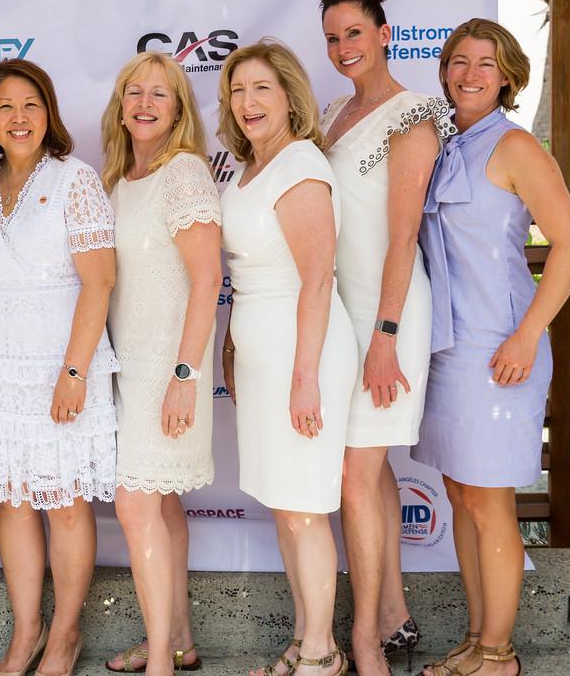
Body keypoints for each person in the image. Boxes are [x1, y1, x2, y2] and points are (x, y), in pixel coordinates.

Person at [410, 19, 570, 676]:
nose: (470, 72)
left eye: (486, 63)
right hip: (451, 350)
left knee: (490, 502)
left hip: (501, 349)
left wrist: (527, 332)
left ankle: (498, 654)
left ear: (507, 75)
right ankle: (477, 637)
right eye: (459, 60)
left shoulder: (516, 147)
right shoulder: (445, 143)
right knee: (461, 493)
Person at [0, 60, 118, 676]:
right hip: (0, 366)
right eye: (4, 106)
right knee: (13, 500)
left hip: (64, 363)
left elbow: (100, 280)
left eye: (30, 104)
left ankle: (64, 635)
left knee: (63, 499)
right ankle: (25, 630)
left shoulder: (74, 178)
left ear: (48, 111)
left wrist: (75, 372)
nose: (19, 117)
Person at [315, 0, 446, 676]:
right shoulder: (335, 108)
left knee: (355, 472)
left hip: (388, 312)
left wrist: (385, 337)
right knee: (369, 468)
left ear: (385, 33)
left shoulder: (413, 114)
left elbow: (403, 237)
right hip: (341, 312)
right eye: (333, 36)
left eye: (355, 33)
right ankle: (393, 612)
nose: (342, 47)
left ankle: (363, 637)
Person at [218, 41, 356, 676]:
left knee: (303, 506)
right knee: (285, 503)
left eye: (261, 89)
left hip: (305, 356)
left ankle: (323, 652)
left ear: (290, 97)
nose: (248, 102)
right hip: (264, 353)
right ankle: (304, 640)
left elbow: (317, 280)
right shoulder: (251, 167)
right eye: (238, 90)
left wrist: (305, 380)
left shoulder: (299, 161)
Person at [98, 52, 221, 676]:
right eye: (134, 92)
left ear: (179, 111)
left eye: (161, 95)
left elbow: (207, 282)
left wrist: (184, 378)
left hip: (170, 372)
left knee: (137, 505)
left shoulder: (185, 174)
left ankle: (161, 667)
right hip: (130, 368)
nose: (145, 104)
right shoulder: (120, 179)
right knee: (162, 505)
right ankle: (176, 640)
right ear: (121, 104)